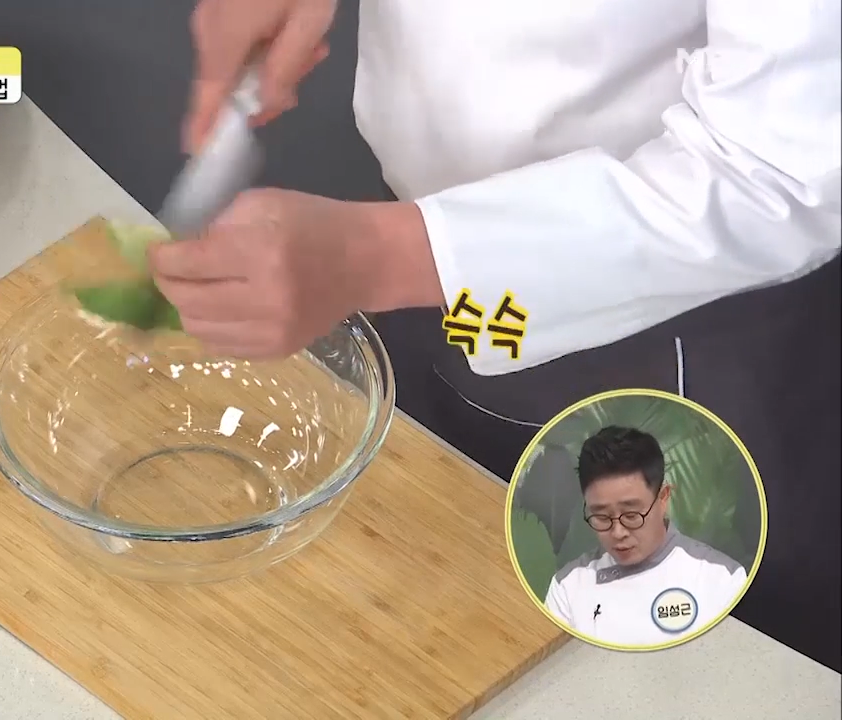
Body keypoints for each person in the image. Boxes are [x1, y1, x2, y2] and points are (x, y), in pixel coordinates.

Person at [147, 0, 842, 670]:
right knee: (433, 585)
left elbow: (782, 174)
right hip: (425, 264)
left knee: (663, 662)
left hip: (669, 329)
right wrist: (395, 258)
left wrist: (379, 256)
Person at [542, 427, 748, 646]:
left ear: (663, 498)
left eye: (631, 515)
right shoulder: (568, 587)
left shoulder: (720, 578)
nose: (618, 532)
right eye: (601, 517)